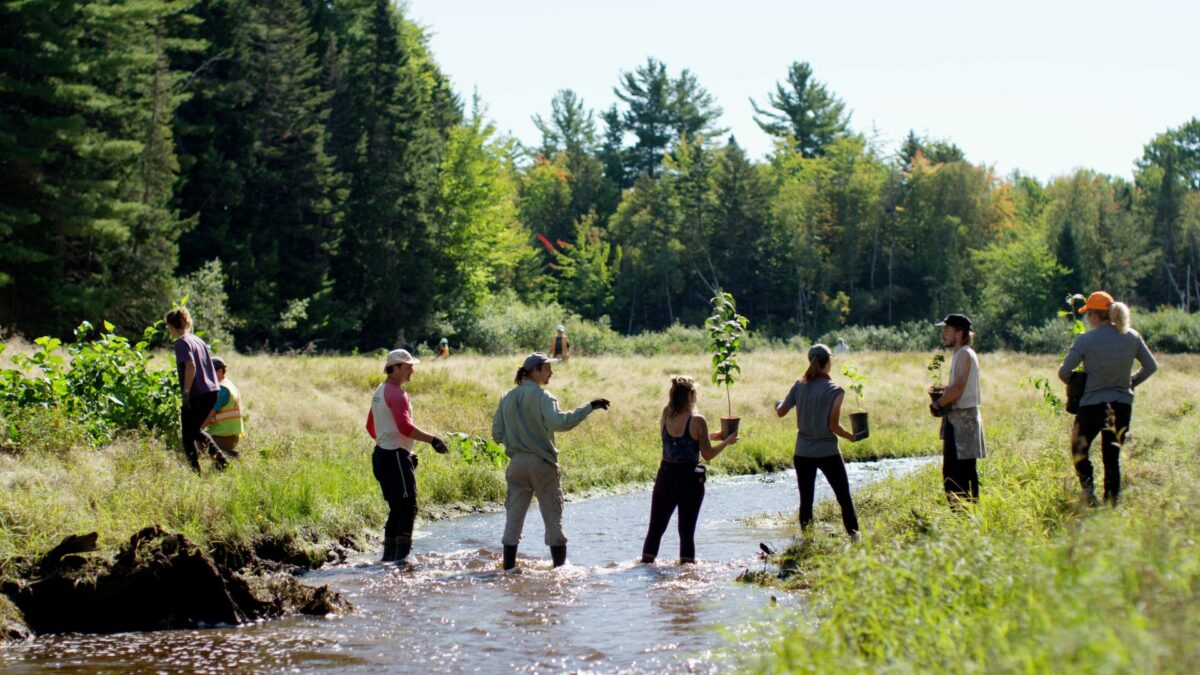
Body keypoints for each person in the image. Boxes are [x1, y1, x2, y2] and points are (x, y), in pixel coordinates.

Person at [491, 352, 608, 569]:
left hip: (516, 465)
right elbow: (560, 423)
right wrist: (589, 406)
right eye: (547, 368)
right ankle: (560, 572)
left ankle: (507, 569)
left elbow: (497, 434)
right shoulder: (544, 397)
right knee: (553, 519)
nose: (551, 372)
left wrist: (517, 435)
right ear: (535, 371)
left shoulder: (506, 397)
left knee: (513, 521)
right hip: (542, 464)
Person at [1057, 291, 1157, 507]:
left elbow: (1064, 372)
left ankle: (1089, 494)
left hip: (1092, 406)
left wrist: (1078, 385)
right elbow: (1151, 366)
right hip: (1121, 405)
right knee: (1111, 458)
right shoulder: (1132, 336)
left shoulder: (1086, 340)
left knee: (1079, 449)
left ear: (1094, 315)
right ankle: (1111, 505)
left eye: (1087, 315)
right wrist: (1131, 382)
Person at [640, 376, 738, 564]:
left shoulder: (666, 413)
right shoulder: (697, 420)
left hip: (665, 477)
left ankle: (645, 568)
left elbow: (677, 441)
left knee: (655, 530)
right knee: (686, 532)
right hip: (689, 481)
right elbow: (707, 454)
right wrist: (726, 441)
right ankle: (686, 574)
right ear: (690, 395)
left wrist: (713, 436)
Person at [366, 349, 449, 564]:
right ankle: (402, 561)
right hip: (393, 456)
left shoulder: (380, 390)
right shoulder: (397, 393)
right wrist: (433, 440)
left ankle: (388, 560)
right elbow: (404, 426)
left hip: (383, 455)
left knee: (397, 507)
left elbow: (370, 426)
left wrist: (395, 448)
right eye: (409, 365)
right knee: (408, 506)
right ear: (396, 367)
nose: (412, 369)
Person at [774, 344, 862, 540]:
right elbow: (833, 426)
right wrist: (851, 436)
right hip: (828, 452)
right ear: (828, 362)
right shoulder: (835, 390)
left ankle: (808, 541)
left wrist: (777, 403)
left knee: (806, 501)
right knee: (844, 497)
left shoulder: (799, 385)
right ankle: (855, 538)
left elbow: (781, 412)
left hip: (802, 453)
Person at [165, 307, 231, 473]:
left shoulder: (181, 343)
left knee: (188, 436)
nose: (167, 329)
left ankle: (196, 472)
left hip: (197, 394)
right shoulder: (197, 340)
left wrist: (186, 393)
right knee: (195, 430)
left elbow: (190, 366)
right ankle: (220, 460)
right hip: (212, 391)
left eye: (168, 325)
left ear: (172, 326)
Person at [929, 313, 986, 505]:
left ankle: (964, 518)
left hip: (963, 421)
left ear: (960, 333)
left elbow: (958, 387)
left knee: (956, 475)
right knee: (963, 472)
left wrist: (938, 403)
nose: (943, 334)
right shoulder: (963, 353)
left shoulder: (963, 354)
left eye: (947, 329)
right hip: (962, 420)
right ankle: (968, 518)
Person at [203, 357, 244, 458]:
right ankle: (229, 454)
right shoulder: (229, 384)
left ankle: (225, 455)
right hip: (232, 436)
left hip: (224, 436)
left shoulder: (221, 389)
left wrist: (199, 429)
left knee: (198, 440)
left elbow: (211, 413)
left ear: (220, 371)